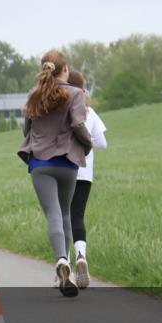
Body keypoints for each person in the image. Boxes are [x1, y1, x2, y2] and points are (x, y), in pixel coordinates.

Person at [17, 50, 94, 298]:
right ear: (66, 69)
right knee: (65, 213)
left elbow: (26, 129)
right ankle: (67, 265)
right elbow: (78, 124)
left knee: (52, 214)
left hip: (40, 163)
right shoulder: (76, 94)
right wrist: (87, 144)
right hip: (67, 162)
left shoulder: (34, 95)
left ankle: (61, 261)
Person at [66, 70, 108, 289]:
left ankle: (63, 265)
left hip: (63, 169)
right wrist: (89, 139)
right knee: (78, 216)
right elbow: (103, 143)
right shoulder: (89, 112)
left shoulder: (61, 110)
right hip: (84, 172)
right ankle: (81, 256)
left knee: (62, 217)